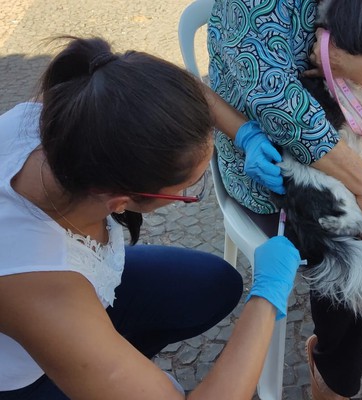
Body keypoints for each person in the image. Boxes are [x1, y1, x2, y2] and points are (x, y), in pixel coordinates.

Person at [0, 36, 301, 400]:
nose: (191, 194)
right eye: (191, 187)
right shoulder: (39, 279)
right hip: (29, 375)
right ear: (121, 201)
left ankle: (120, 366)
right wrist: (268, 294)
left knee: (212, 284)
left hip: (82, 294)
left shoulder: (72, 113)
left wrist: (245, 134)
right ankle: (109, 376)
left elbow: (174, 98)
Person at [207, 2, 362, 399]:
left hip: (360, 148)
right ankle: (333, 379)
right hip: (273, 159)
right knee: (344, 272)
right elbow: (275, 100)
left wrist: (361, 68)